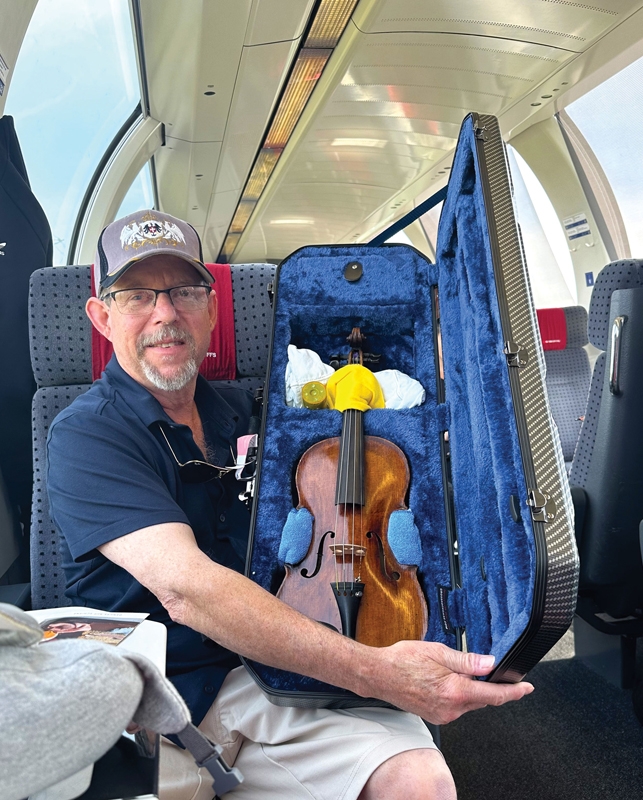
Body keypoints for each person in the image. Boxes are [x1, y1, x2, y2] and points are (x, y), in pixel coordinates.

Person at [46, 209, 534, 800]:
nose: (165, 314)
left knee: (418, 782)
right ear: (102, 317)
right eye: (137, 296)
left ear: (212, 310)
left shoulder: (257, 412)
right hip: (153, 698)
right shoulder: (86, 434)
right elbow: (187, 590)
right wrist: (380, 672)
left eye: (183, 292)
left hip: (277, 668)